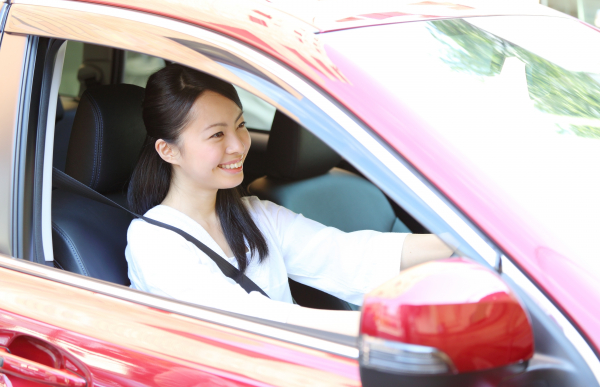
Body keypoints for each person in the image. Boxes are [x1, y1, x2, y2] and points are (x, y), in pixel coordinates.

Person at [125, 64, 452, 335]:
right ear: (168, 150)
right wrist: (390, 324)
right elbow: (247, 321)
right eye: (217, 134)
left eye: (240, 125)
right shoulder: (152, 240)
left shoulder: (255, 215)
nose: (238, 145)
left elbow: (347, 254)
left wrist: (459, 245)